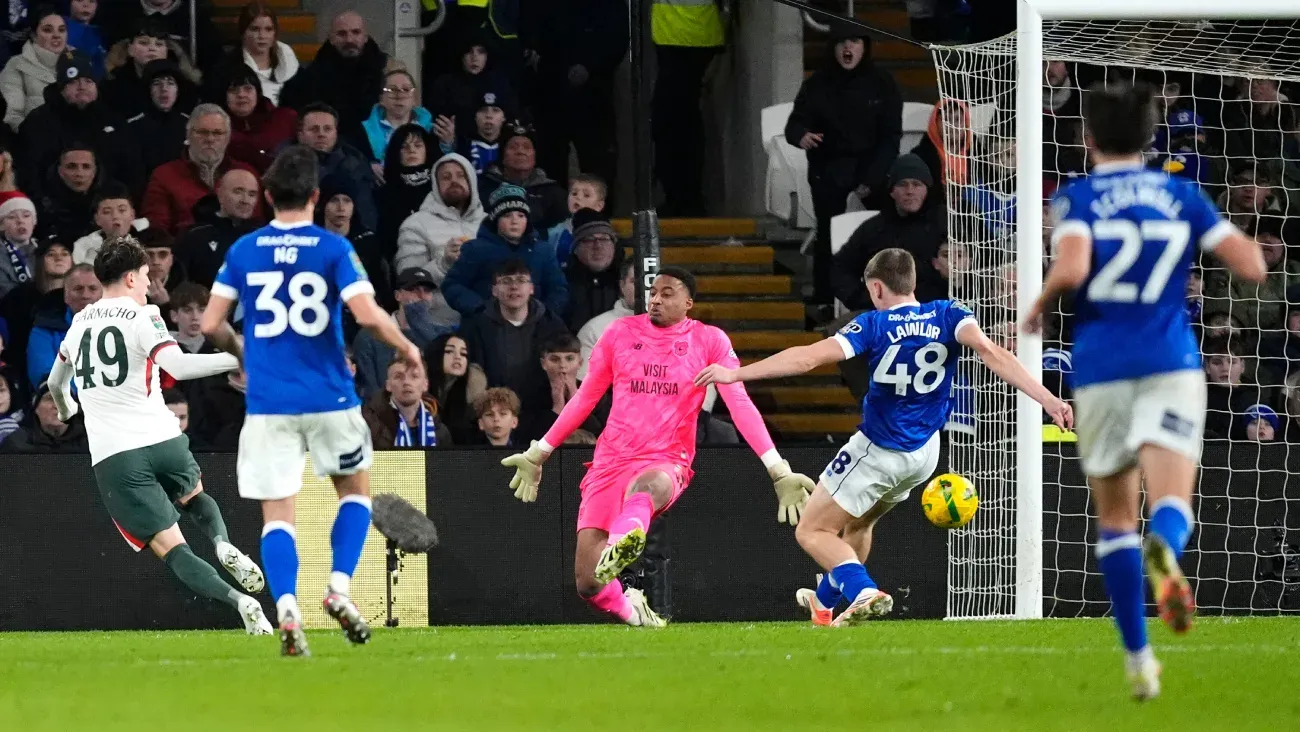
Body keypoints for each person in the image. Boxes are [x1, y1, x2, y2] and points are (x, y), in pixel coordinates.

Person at [1022, 83, 1267, 700]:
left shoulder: (1077, 195)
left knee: (1113, 521)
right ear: (1151, 136)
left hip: (1101, 368)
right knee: (1172, 500)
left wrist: (1043, 302)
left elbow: (1074, 269)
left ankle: (1139, 660)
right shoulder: (1180, 192)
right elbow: (1252, 266)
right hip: (1172, 362)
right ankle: (1169, 548)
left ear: (1088, 139)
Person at [694, 247, 1068, 627]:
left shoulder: (871, 325)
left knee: (812, 529)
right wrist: (1049, 400)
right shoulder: (949, 313)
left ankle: (864, 592)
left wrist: (735, 374)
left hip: (878, 450)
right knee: (858, 525)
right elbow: (992, 352)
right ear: (913, 282)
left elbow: (807, 358)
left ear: (876, 287)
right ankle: (823, 606)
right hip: (924, 453)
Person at [200, 144, 422, 657]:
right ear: (317, 197)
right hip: (330, 397)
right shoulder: (332, 249)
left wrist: (242, 351)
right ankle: (339, 589)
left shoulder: (244, 250)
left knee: (278, 516)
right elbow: (367, 315)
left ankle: (286, 608)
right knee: (355, 494)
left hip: (268, 402)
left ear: (269, 196)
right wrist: (407, 347)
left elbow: (211, 325)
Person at [501, 267, 816, 626]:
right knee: (588, 583)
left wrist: (779, 470)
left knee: (648, 487)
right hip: (610, 460)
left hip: (667, 459)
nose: (656, 298)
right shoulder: (619, 333)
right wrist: (539, 451)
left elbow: (740, 405)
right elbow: (586, 396)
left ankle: (624, 540)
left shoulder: (709, 341)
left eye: (668, 293)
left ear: (688, 302)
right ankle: (632, 608)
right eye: (653, 291)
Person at [41, 237, 272, 633]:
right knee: (196, 497)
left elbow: (56, 382)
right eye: (147, 276)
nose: (149, 285)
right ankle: (221, 543)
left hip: (116, 456)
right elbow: (177, 367)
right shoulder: (143, 316)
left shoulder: (78, 323)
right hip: (163, 438)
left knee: (172, 548)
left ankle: (240, 603)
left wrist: (66, 409)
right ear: (130, 277)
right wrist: (237, 357)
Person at [785, 22, 902, 307]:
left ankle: (887, 294)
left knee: (883, 232)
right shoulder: (817, 83)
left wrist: (873, 178)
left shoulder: (882, 83)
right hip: (829, 168)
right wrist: (801, 136)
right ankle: (825, 297)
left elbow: (890, 136)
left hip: (872, 167)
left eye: (854, 42)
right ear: (832, 48)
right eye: (841, 43)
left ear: (865, 46)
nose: (847, 48)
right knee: (827, 235)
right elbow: (795, 124)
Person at [526, 0, 628, 192]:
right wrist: (541, 63)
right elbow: (529, 25)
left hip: (594, 94)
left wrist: (591, 67)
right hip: (549, 91)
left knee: (598, 165)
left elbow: (618, 36)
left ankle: (599, 218)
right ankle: (553, 217)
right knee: (549, 164)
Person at [832, 154, 947, 310]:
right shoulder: (874, 229)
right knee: (835, 331)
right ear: (892, 191)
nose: (910, 191)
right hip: (883, 315)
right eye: (903, 184)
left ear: (927, 189)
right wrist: (862, 298)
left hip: (935, 314)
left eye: (917, 184)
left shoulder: (946, 225)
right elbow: (840, 267)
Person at [443, 184, 567, 317]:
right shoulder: (475, 249)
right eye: (507, 215)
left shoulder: (543, 251)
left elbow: (558, 289)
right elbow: (452, 285)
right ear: (496, 220)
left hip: (535, 329)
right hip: (485, 327)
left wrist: (544, 315)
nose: (515, 221)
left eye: (521, 215)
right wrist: (480, 309)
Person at [649, 0, 725, 216]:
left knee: (672, 122)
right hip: (692, 33)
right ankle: (686, 197)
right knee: (683, 120)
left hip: (683, 36)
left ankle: (683, 198)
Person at [459, 258, 568, 408]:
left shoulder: (552, 324)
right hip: (494, 411)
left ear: (531, 288)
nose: (514, 287)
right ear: (494, 290)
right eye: (506, 281)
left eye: (521, 280)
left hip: (543, 408)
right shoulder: (475, 326)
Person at [142, 104, 259, 235]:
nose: (210, 139)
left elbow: (258, 223)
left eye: (217, 133)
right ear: (188, 135)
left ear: (228, 138)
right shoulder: (164, 175)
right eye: (202, 132)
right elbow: (157, 231)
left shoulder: (246, 174)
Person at [279, 10, 390, 147]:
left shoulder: (387, 71)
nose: (349, 40)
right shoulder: (309, 79)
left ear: (365, 37)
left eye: (355, 32)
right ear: (331, 38)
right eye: (341, 34)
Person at [395, 152, 485, 307]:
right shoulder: (416, 224)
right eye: (446, 177)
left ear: (471, 181)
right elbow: (408, 281)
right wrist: (444, 263)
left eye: (461, 175)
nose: (454, 181)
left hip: (486, 320)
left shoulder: (489, 223)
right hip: (437, 322)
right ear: (435, 185)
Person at [296, 102, 378, 233]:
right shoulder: (287, 166)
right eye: (314, 129)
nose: (321, 134)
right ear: (300, 135)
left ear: (336, 132)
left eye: (327, 129)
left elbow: (366, 210)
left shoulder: (356, 162)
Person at [175, 168, 259, 289]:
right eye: (238, 192)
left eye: (252, 194)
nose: (245, 200)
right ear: (220, 194)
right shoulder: (194, 236)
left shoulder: (262, 236)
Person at [207, 2, 299, 107]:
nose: (262, 36)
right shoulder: (225, 69)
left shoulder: (289, 64)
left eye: (268, 29)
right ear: (243, 32)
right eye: (255, 29)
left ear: (275, 33)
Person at [478, 124, 568, 231]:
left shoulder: (554, 192)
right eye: (513, 147)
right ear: (502, 156)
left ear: (534, 156)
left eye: (527, 147)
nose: (520, 152)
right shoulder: (483, 187)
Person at [27, 261, 98, 386]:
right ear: (66, 295)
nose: (85, 295)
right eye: (78, 289)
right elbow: (45, 375)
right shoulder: (44, 330)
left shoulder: (124, 325)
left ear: (104, 293)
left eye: (93, 289)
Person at [362, 354, 452, 448]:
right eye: (398, 376)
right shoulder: (369, 426)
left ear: (425, 384)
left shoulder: (440, 432)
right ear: (388, 385)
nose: (406, 382)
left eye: (414, 376)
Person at [221, 62, 296, 175]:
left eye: (248, 89)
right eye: (233, 90)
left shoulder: (286, 118)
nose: (241, 95)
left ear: (258, 93)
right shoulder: (214, 126)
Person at [0, 7, 65, 131]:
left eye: (61, 30)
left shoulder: (80, 61)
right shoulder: (16, 65)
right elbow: (13, 116)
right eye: (48, 30)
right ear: (34, 36)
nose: (56, 35)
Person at [124, 59, 188, 179]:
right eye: (157, 83)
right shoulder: (132, 127)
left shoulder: (190, 125)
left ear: (178, 90)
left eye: (170, 83)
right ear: (148, 90)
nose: (164, 88)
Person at [377, 124, 433, 256]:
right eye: (404, 146)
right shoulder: (385, 192)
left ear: (427, 150)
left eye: (418, 145)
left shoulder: (440, 186)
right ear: (396, 152)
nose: (411, 150)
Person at [361, 69, 432, 173]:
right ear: (381, 98)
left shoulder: (431, 131)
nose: (399, 95)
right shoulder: (362, 132)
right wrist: (367, 166)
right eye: (392, 90)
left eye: (406, 89)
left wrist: (448, 144)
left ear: (414, 99)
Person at [563, 208, 622, 332]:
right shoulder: (562, 284)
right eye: (589, 239)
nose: (598, 246)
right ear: (576, 248)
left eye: (605, 239)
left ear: (614, 246)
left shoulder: (629, 281)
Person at [576, 259, 634, 380]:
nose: (644, 288)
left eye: (651, 281)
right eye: (635, 281)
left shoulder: (680, 328)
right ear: (622, 285)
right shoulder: (595, 329)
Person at [424, 332, 486, 444]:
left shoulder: (473, 388)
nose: (458, 357)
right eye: (449, 351)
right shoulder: (418, 385)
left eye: (463, 354)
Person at [548, 174, 608, 268]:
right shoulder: (555, 232)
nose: (578, 198)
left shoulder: (605, 234)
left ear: (599, 206)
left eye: (586, 195)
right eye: (574, 193)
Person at [64, 0, 106, 78]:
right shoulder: (59, 26)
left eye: (91, 1)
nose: (86, 5)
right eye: (80, 0)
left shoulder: (99, 33)